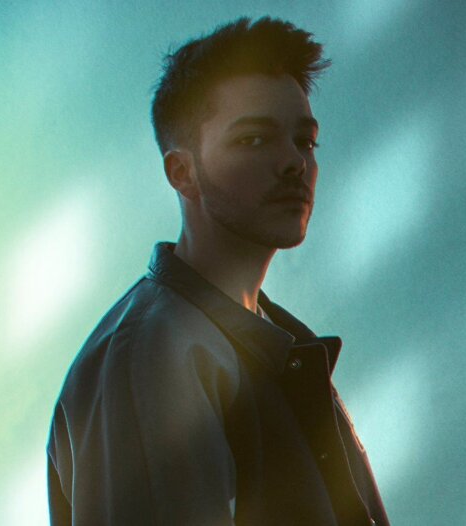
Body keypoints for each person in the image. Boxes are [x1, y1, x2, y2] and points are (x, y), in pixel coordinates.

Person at [47, 16, 390, 526]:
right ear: (182, 172)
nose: (295, 162)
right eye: (254, 139)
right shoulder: (154, 355)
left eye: (305, 141)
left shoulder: (278, 343)